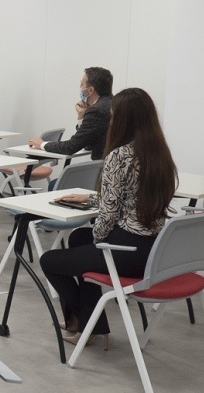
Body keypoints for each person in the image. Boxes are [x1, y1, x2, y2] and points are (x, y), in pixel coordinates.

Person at [39, 88, 177, 347]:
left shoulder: (119, 155)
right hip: (153, 249)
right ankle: (90, 324)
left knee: (49, 260)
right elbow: (131, 198)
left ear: (123, 119)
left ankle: (84, 321)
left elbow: (109, 215)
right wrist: (92, 200)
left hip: (126, 252)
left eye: (113, 116)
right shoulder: (160, 154)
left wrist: (98, 239)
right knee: (78, 238)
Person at [29, 66, 113, 160]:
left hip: (104, 166)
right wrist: (81, 116)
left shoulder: (96, 111)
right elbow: (87, 143)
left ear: (90, 90)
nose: (80, 87)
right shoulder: (112, 103)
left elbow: (71, 147)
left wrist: (42, 144)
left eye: (82, 84)